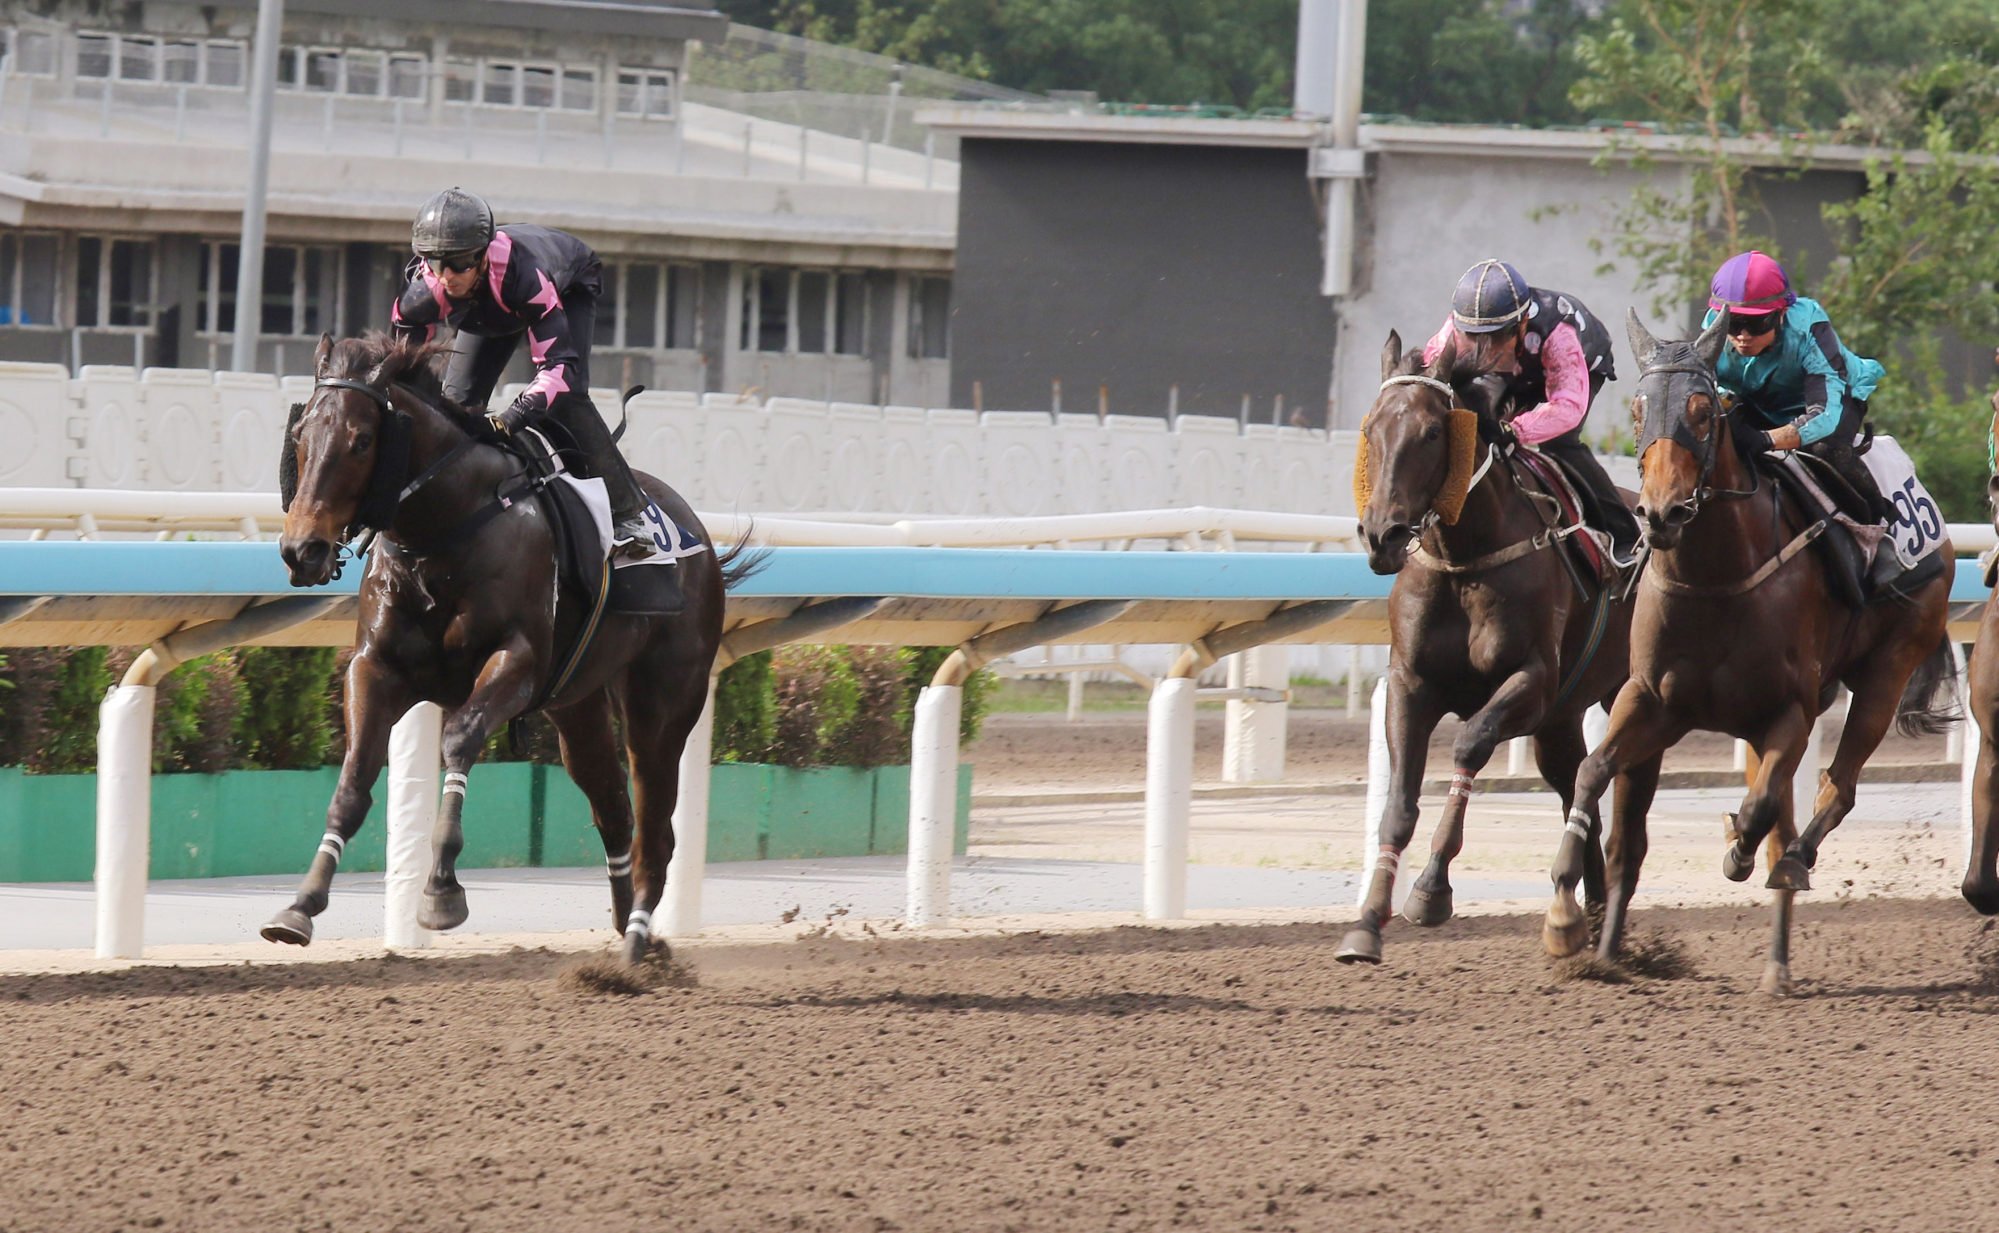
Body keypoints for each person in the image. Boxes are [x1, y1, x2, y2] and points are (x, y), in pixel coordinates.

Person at [390, 187, 655, 558]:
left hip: (568, 284)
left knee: (566, 400)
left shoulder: (526, 279)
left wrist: (512, 418)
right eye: (436, 263)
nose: (447, 276)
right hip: (490, 307)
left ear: (481, 257)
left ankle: (628, 514)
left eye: (460, 262)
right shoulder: (423, 291)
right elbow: (404, 372)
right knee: (454, 406)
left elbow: (558, 368)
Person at [1421, 258, 1641, 564]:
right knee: (1478, 429)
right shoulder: (1451, 336)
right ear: (1458, 326)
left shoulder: (1559, 332)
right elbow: (1426, 380)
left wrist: (1517, 430)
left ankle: (1623, 534)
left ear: (1522, 322)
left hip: (1579, 363)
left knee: (1558, 443)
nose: (1488, 350)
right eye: (1474, 338)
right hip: (1519, 368)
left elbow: (1567, 407)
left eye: (1498, 336)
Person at [1702, 250, 1892, 524]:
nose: (1743, 336)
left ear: (1782, 314)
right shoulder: (1712, 332)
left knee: (1826, 451)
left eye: (1756, 323)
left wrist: (1766, 440)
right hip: (1759, 400)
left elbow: (1824, 414)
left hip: (1833, 402)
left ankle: (1878, 524)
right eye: (1733, 323)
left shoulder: (1809, 330)